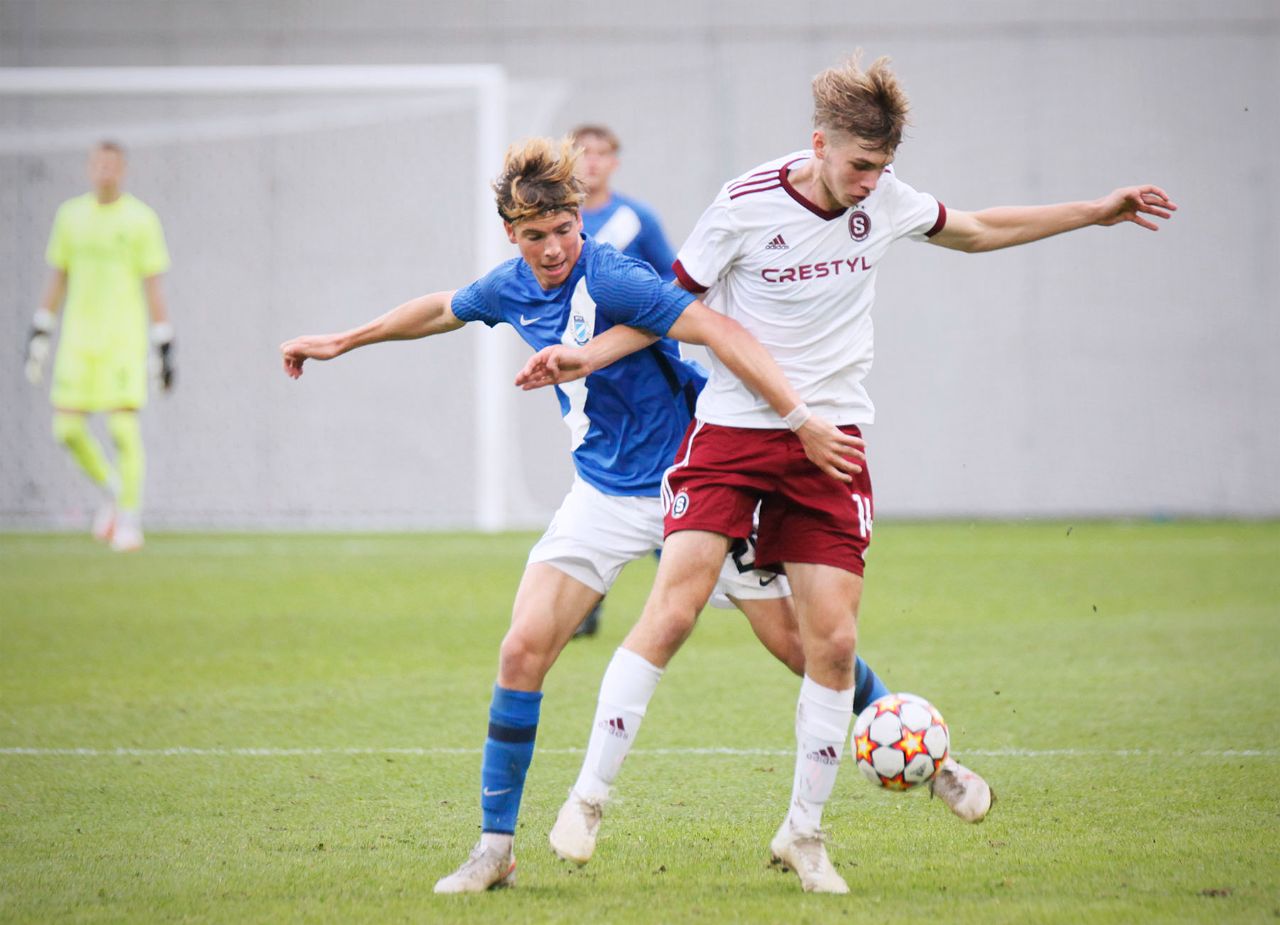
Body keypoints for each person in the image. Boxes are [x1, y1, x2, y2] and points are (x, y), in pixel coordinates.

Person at [530, 53, 1177, 894]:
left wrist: (1096, 211)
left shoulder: (887, 200)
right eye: (861, 164)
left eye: (884, 166)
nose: (872, 182)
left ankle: (803, 832)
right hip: (731, 434)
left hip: (830, 444)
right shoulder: (744, 204)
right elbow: (668, 308)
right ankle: (588, 797)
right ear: (820, 145)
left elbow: (978, 228)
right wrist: (583, 355)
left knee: (831, 644)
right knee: (675, 607)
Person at [279, 136, 880, 894]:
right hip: (599, 495)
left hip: (693, 489)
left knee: (804, 646)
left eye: (564, 229)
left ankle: (908, 730)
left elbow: (717, 329)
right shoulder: (510, 286)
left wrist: (796, 418)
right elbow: (441, 308)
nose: (554, 247)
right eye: (536, 235)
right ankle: (494, 848)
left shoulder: (617, 277)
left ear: (579, 221)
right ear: (512, 235)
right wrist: (343, 340)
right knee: (521, 651)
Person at [24, 140, 175, 552]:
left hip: (122, 339)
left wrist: (163, 342)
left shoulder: (141, 220)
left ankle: (130, 519)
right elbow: (58, 276)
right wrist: (41, 330)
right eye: (99, 165)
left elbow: (153, 285)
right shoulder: (70, 217)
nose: (105, 171)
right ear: (90, 168)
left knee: (122, 428)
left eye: (112, 165)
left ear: (122, 170)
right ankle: (113, 490)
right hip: (78, 340)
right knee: (66, 429)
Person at [570, 123, 682, 638]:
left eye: (601, 153)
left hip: (644, 371)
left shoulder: (634, 219)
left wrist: (641, 318)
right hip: (588, 376)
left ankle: (681, 582)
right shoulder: (559, 224)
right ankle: (584, 598)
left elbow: (675, 282)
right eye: (582, 152)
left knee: (660, 479)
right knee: (597, 478)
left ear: (615, 161)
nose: (591, 162)